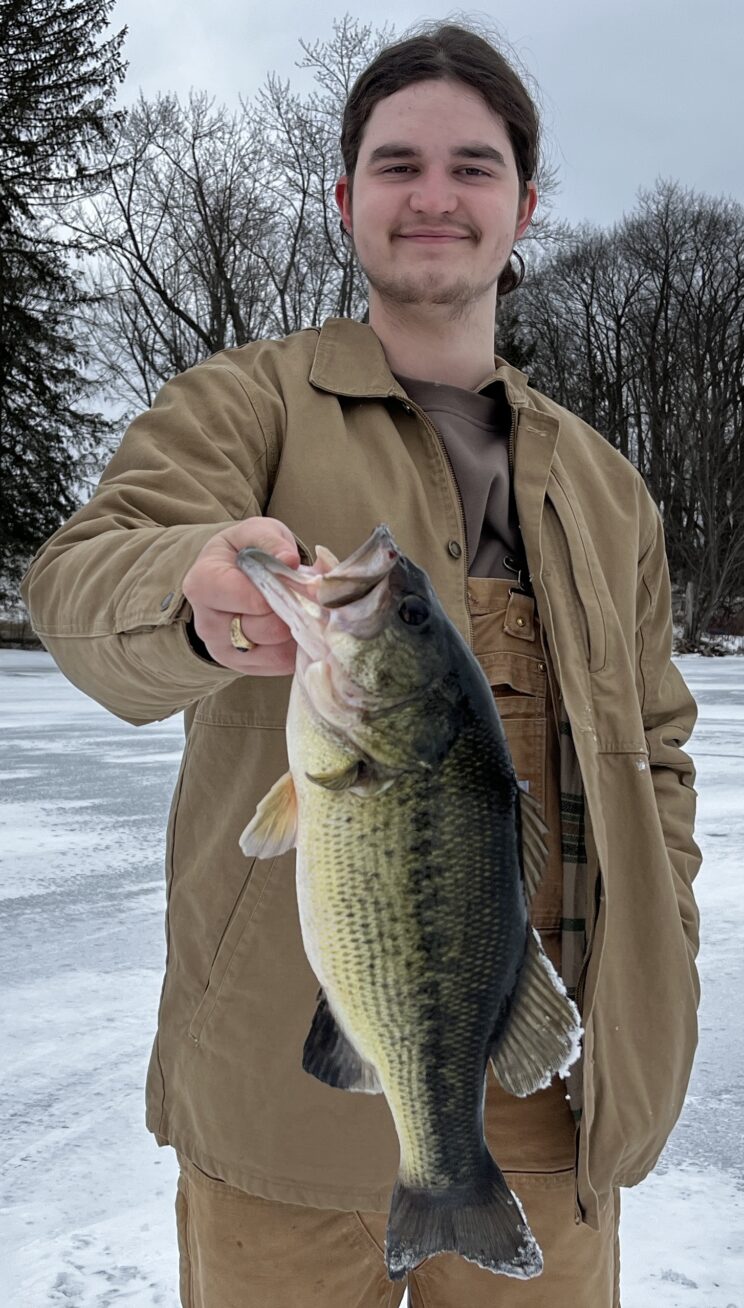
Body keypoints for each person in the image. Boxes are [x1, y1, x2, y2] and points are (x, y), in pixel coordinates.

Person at [21, 22, 701, 1308]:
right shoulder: (245, 405)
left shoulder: (609, 488)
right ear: (344, 201)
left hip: (554, 1098)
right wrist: (193, 595)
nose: (433, 196)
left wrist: (664, 968)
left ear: (524, 206)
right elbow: (80, 575)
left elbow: (656, 753)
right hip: (283, 1107)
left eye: (472, 167)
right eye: (396, 165)